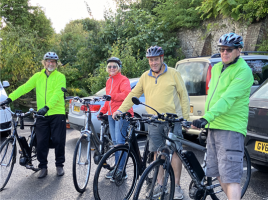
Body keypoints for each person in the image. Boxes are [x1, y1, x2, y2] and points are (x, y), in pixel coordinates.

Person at [113, 46, 190, 199]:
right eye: (150, 60)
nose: (153, 63)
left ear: (162, 59)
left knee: (174, 153)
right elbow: (133, 94)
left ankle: (177, 186)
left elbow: (184, 96)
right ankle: (160, 184)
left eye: (155, 59)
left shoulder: (174, 73)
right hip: (154, 121)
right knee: (157, 153)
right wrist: (121, 110)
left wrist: (185, 118)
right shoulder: (145, 77)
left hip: (172, 121)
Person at [192, 33, 254, 200]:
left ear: (239, 50)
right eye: (221, 49)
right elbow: (213, 96)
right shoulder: (218, 68)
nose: (224, 53)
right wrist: (206, 120)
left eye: (229, 50)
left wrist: (207, 117)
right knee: (217, 173)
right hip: (214, 126)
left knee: (230, 177)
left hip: (230, 128)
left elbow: (227, 99)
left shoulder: (244, 71)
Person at [0, 52, 67, 179]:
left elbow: (58, 94)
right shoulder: (38, 76)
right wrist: (9, 99)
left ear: (56, 64)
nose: (50, 63)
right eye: (48, 61)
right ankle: (43, 167)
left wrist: (47, 107)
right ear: (44, 62)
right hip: (42, 114)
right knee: (41, 141)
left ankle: (59, 165)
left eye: (53, 61)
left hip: (57, 112)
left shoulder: (60, 77)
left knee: (58, 140)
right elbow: (24, 87)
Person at [97, 57, 134, 182]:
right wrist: (102, 111)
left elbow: (126, 95)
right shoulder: (109, 81)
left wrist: (111, 96)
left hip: (122, 114)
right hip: (111, 115)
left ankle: (121, 171)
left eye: (114, 66)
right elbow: (109, 100)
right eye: (109, 66)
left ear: (118, 68)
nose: (111, 68)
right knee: (115, 143)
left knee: (119, 143)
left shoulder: (124, 80)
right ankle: (118, 167)